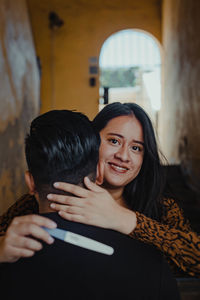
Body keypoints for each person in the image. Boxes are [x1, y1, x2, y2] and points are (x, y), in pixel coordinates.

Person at [0, 103, 199, 278]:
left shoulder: (163, 209)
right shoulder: (50, 198)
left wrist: (123, 218)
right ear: (92, 143)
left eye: (136, 148)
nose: (124, 156)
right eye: (114, 141)